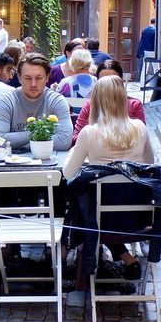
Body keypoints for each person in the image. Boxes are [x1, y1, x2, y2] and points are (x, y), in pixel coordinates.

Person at [62, 75, 154, 279]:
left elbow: (68, 173)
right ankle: (127, 259)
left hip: (98, 219)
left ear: (96, 100)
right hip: (137, 218)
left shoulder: (90, 132)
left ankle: (62, 256)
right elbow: (148, 166)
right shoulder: (140, 128)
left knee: (80, 199)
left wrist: (75, 151)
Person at [0, 52, 73, 151]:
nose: (33, 84)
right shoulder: (5, 101)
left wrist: (19, 145)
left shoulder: (57, 101)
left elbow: (64, 141)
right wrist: (40, 135)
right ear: (19, 78)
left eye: (38, 78)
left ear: (47, 78)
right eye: (28, 78)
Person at [72, 60, 146, 143]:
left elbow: (142, 137)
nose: (109, 84)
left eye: (113, 80)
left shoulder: (134, 105)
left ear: (121, 80)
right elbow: (76, 138)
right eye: (103, 80)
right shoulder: (90, 105)